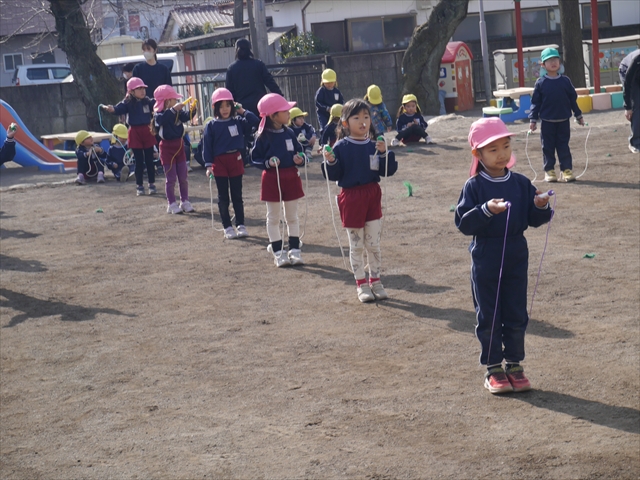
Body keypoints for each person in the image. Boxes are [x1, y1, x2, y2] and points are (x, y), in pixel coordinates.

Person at [454, 117, 553, 394]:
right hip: (486, 255)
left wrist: (539, 205)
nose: (502, 154)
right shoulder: (474, 186)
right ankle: (493, 367)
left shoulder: (520, 183)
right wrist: (485, 209)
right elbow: (463, 223)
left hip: (516, 254)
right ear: (478, 153)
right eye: (493, 149)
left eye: (506, 146)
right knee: (489, 313)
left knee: (516, 311)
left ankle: (515, 364)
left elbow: (533, 219)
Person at [321, 99, 398, 303]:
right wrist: (331, 161)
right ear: (345, 123)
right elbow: (334, 174)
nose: (363, 122)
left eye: (366, 117)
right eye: (357, 118)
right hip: (351, 198)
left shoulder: (374, 145)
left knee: (373, 244)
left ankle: (376, 281)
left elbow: (387, 170)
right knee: (356, 246)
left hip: (372, 195)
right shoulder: (341, 146)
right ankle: (361, 284)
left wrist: (384, 153)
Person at [251, 93, 306, 267]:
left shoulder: (289, 132)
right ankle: (278, 252)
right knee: (273, 217)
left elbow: (299, 151)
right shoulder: (262, 136)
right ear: (273, 116)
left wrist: (300, 159)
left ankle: (295, 251)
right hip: (271, 178)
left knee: (292, 216)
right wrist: (267, 163)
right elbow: (254, 158)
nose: (289, 112)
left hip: (290, 176)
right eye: (285, 110)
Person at [203, 88, 259, 239]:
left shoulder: (238, 121)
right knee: (223, 197)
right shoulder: (211, 125)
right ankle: (227, 226)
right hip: (219, 162)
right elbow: (207, 146)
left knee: (237, 195)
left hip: (236, 159)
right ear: (215, 107)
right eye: (221, 106)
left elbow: (256, 122)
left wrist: (242, 111)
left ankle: (240, 224)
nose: (225, 109)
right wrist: (208, 166)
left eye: (228, 105)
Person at [529, 48, 584, 183]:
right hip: (547, 122)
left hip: (563, 120)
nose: (553, 62)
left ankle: (566, 170)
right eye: (549, 60)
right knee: (547, 147)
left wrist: (578, 115)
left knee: (563, 146)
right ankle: (549, 171)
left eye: (555, 59)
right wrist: (533, 119)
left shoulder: (565, 81)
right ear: (543, 65)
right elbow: (535, 103)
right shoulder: (540, 83)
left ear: (559, 62)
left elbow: (572, 100)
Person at [103, 77, 157, 196]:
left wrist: (165, 100)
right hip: (135, 132)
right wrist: (112, 109)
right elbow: (118, 108)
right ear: (131, 91)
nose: (142, 91)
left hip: (147, 131)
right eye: (139, 89)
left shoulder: (147, 101)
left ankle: (151, 184)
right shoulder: (127, 102)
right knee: (138, 161)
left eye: (143, 88)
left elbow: (158, 104)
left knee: (149, 160)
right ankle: (139, 185)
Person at [152, 85, 196, 214]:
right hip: (166, 148)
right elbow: (160, 120)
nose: (176, 101)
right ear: (167, 101)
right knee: (171, 178)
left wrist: (193, 110)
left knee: (183, 176)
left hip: (179, 145)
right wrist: (172, 110)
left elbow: (186, 116)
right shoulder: (159, 114)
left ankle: (185, 201)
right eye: (174, 99)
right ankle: (171, 203)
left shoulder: (177, 112)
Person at [225, 38, 283, 117]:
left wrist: (233, 108)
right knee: (262, 125)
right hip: (261, 106)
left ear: (236, 50)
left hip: (242, 109)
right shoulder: (258, 64)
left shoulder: (231, 68)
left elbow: (229, 92)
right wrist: (280, 97)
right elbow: (270, 82)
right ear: (250, 50)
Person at [619, 48, 640, 153]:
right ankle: (635, 142)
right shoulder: (637, 59)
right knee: (637, 103)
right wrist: (627, 107)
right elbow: (628, 84)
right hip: (627, 71)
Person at [315, 69, 344, 133]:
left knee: (337, 126)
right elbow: (318, 103)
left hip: (335, 113)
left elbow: (341, 101)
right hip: (323, 113)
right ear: (323, 82)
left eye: (331, 82)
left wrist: (340, 108)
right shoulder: (321, 91)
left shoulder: (337, 91)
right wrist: (327, 108)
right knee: (324, 127)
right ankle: (323, 138)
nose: (329, 84)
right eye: (327, 82)